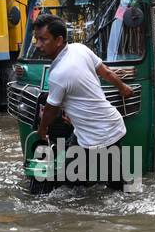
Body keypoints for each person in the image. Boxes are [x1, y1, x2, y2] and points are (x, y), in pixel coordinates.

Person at [32, 14, 137, 190]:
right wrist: (123, 88)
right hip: (98, 128)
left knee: (117, 187)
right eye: (36, 39)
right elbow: (106, 72)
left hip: (99, 135)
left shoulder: (59, 74)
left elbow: (50, 110)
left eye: (43, 40)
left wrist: (42, 131)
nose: (38, 45)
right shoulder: (79, 49)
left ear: (58, 40)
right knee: (73, 179)